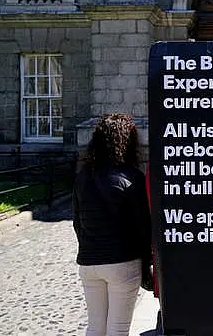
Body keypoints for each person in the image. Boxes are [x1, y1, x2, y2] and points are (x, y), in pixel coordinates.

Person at [72, 113, 152, 335]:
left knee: (95, 328)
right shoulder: (132, 177)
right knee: (118, 329)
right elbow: (143, 228)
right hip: (122, 261)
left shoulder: (83, 176)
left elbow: (77, 221)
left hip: (89, 262)